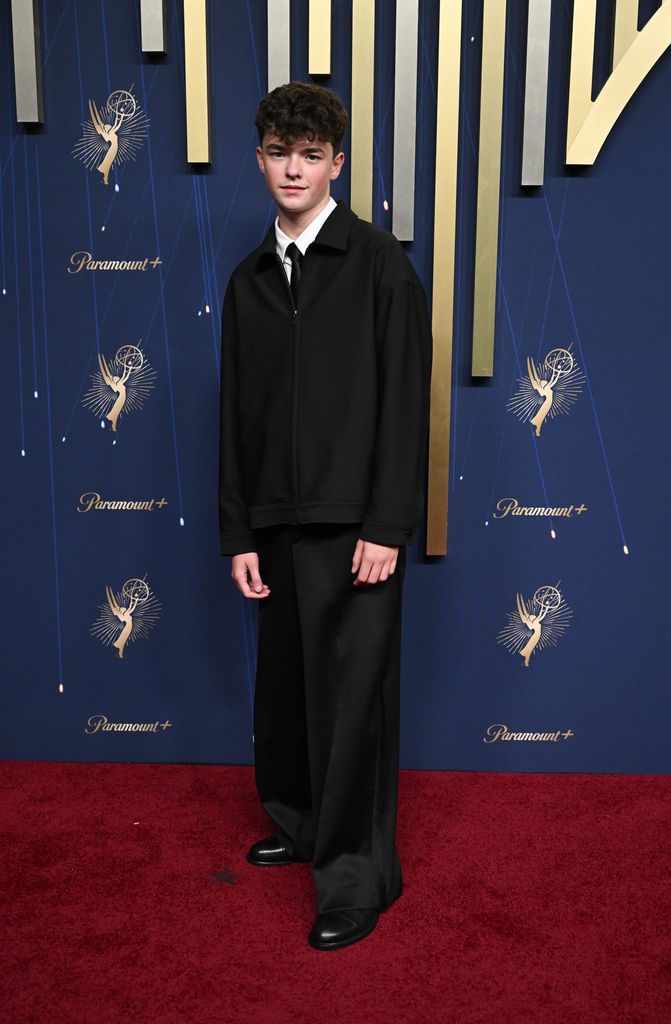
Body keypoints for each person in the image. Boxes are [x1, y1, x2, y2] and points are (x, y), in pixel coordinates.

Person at [219, 81, 433, 951]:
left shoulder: (380, 264)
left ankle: (356, 879)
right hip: (273, 520)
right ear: (259, 159)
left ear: (336, 163)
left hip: (356, 525)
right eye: (279, 153)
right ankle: (300, 822)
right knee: (287, 697)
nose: (293, 169)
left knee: (351, 711)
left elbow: (407, 403)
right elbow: (234, 414)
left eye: (310, 155)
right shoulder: (247, 282)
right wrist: (238, 531)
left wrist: (388, 524)